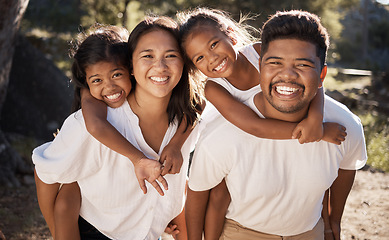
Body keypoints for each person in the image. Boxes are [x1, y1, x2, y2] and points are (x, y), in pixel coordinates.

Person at [185, 9, 367, 240]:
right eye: (199, 58)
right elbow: (254, 126)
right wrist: (316, 134)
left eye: (213, 45)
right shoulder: (214, 89)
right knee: (221, 192)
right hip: (244, 123)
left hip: (288, 112)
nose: (211, 58)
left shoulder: (261, 49)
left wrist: (315, 120)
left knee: (306, 178)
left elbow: (315, 84)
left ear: (231, 35)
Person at [33, 16, 202, 239]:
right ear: (131, 65)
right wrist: (56, 231)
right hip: (97, 232)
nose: (159, 66)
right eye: (148, 56)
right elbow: (45, 173)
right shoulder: (92, 124)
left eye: (170, 55)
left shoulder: (188, 120)